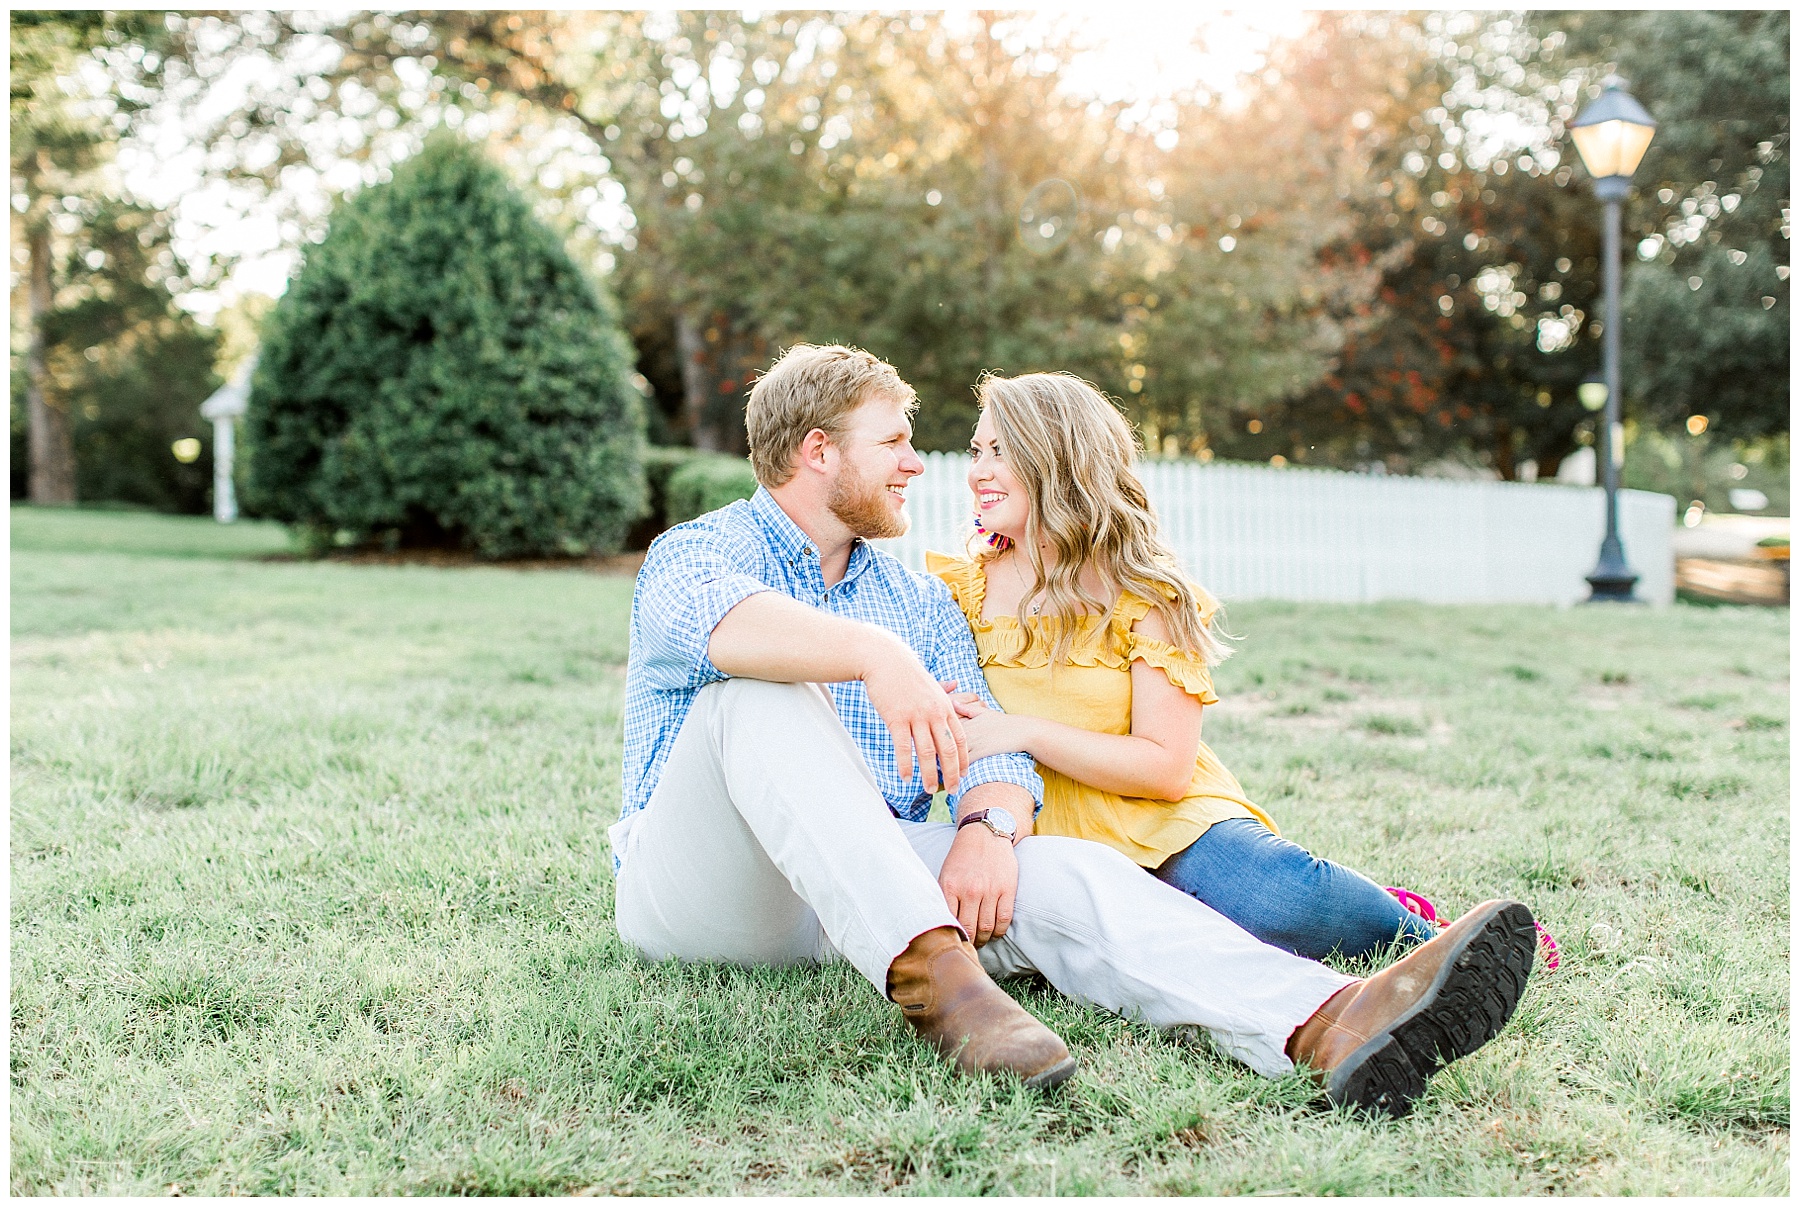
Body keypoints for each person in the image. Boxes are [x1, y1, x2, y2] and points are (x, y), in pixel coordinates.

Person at [613, 342, 1536, 1117]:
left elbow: (996, 744)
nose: (918, 463)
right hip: (704, 893)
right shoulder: (701, 551)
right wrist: (870, 656)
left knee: (1071, 869)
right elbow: (733, 631)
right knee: (758, 694)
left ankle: (1329, 1022)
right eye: (895, 441)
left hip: (853, 900)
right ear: (818, 452)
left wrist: (990, 827)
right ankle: (944, 984)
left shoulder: (917, 599)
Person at [930, 371, 1440, 962]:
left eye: (1000, 451)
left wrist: (1023, 731)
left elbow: (1167, 769)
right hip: (1036, 833)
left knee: (1280, 904)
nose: (978, 471)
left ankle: (1426, 936)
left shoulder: (1147, 595)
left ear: (1059, 462)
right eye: (976, 451)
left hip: (1167, 826)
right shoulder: (958, 591)